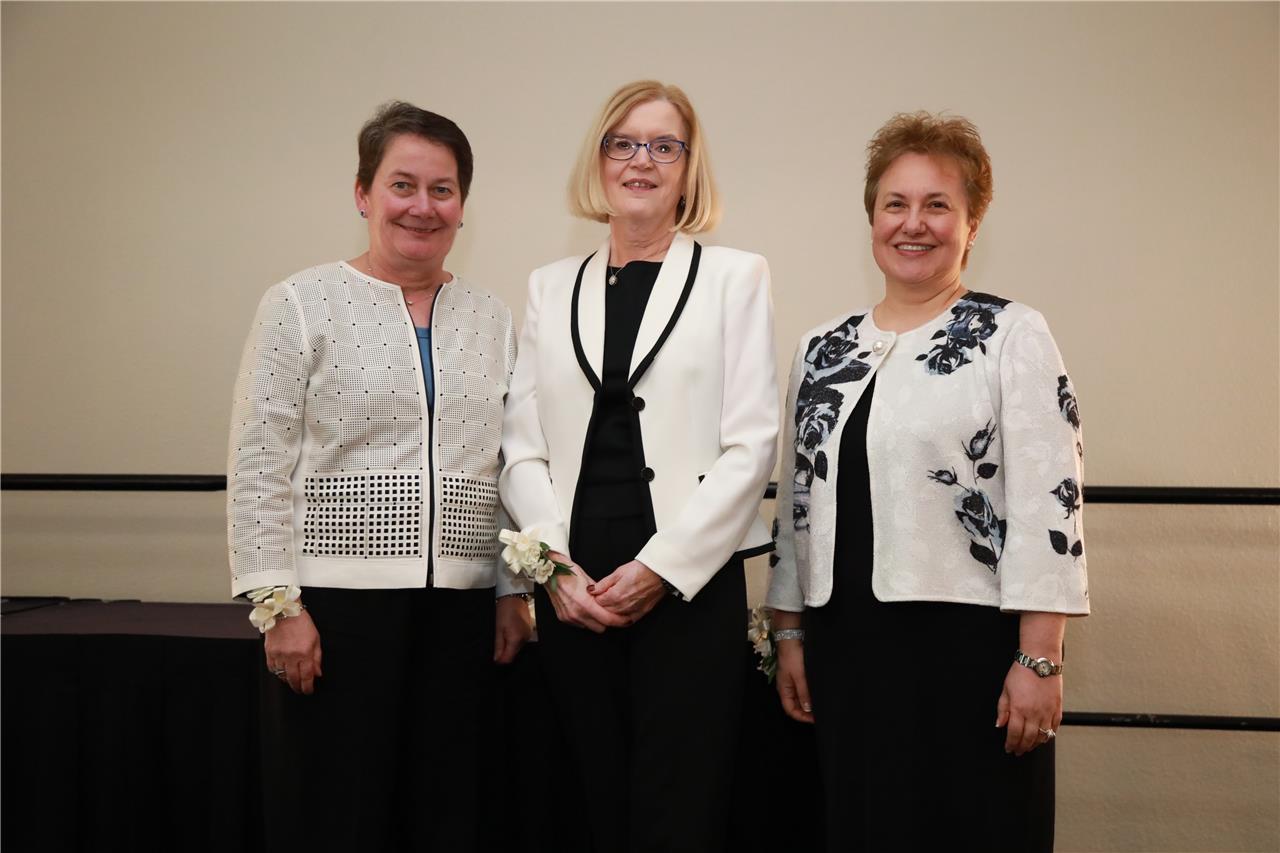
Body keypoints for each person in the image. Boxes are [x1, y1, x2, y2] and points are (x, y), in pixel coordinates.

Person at [767, 112, 1090, 852]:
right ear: (872, 219)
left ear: (972, 224)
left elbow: (1052, 499)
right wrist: (787, 632)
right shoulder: (822, 347)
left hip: (969, 652)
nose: (913, 223)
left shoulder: (1012, 333)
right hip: (845, 648)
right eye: (896, 204)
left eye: (937, 204)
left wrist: (1040, 658)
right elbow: (796, 503)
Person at [226, 101, 532, 852]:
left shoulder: (491, 317)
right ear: (363, 194)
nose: (422, 206)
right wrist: (277, 605)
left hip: (460, 613)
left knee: (447, 814)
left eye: (442, 189)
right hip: (332, 611)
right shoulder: (300, 304)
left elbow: (505, 460)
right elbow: (259, 459)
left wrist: (510, 587)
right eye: (403, 185)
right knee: (335, 814)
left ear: (462, 205)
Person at [499, 80, 779, 853]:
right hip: (576, 585)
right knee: (590, 798)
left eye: (664, 145)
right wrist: (553, 567)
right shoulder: (551, 286)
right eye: (622, 143)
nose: (641, 161)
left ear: (689, 168)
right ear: (599, 160)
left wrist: (661, 567)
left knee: (678, 807)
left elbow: (752, 442)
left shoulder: (735, 277)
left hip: (688, 581)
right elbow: (522, 445)